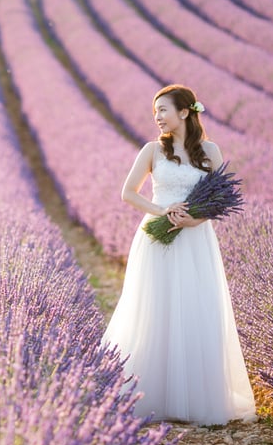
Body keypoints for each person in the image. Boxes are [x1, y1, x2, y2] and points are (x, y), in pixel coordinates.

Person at [103, 84, 255, 425]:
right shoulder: (152, 151)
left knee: (193, 308)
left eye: (163, 110)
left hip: (195, 238)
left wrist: (195, 219)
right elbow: (128, 193)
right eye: (155, 112)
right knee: (155, 308)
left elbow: (221, 200)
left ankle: (194, 397)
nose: (157, 117)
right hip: (156, 238)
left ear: (184, 112)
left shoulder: (210, 151)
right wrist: (161, 211)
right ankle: (150, 392)